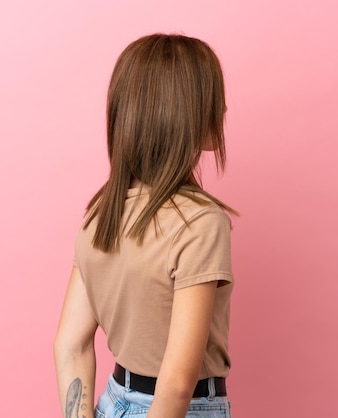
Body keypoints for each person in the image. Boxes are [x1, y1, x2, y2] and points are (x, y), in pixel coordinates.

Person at [54, 33, 237, 418]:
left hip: (112, 402)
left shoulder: (101, 215)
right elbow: (176, 383)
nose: (223, 108)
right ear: (184, 111)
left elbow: (71, 345)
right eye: (212, 96)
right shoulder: (200, 223)